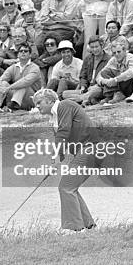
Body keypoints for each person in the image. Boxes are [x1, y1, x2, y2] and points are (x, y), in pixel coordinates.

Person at [32, 88, 97, 232]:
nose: (37, 106)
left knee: (66, 187)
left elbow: (64, 132)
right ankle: (88, 225)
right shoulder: (54, 117)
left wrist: (56, 159)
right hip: (86, 151)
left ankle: (74, 228)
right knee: (70, 187)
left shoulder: (65, 105)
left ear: (49, 100)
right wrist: (55, 161)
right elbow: (63, 141)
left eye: (39, 102)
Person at [0, 42, 42, 111]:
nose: (23, 52)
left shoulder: (35, 68)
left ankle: (13, 107)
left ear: (30, 55)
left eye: (26, 51)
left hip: (33, 99)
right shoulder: (13, 67)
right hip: (16, 97)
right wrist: (0, 87)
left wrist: (8, 88)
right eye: (21, 51)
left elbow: (25, 82)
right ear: (18, 54)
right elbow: (0, 79)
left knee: (22, 85)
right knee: (3, 83)